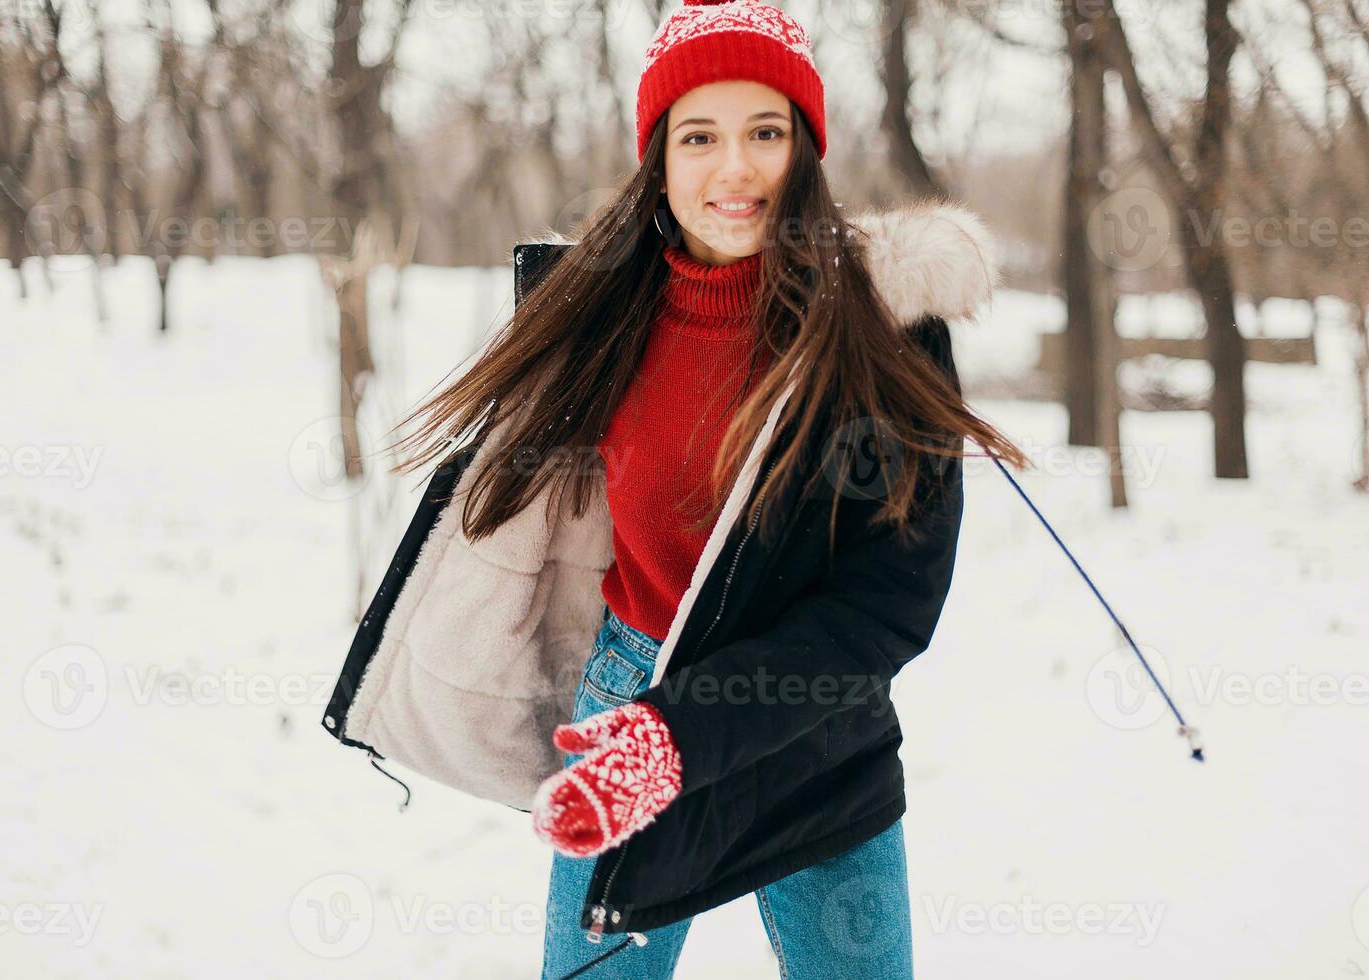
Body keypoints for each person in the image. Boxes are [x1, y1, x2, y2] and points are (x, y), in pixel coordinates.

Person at [320, 0, 1028, 976]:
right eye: (699, 135)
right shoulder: (597, 316)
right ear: (658, 155)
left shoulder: (882, 332)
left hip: (817, 721)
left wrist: (679, 737)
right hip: (629, 698)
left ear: (805, 150)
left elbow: (890, 601)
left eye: (765, 132)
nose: (733, 169)